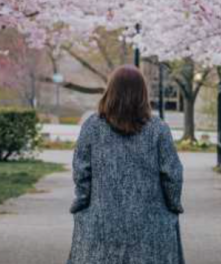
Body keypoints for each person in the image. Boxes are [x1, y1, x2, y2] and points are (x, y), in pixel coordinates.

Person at [67, 65, 185, 264]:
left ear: (110, 91)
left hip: (102, 222)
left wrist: (81, 203)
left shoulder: (92, 127)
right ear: (142, 94)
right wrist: (173, 206)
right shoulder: (158, 129)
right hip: (150, 225)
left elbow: (81, 173)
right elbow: (172, 175)